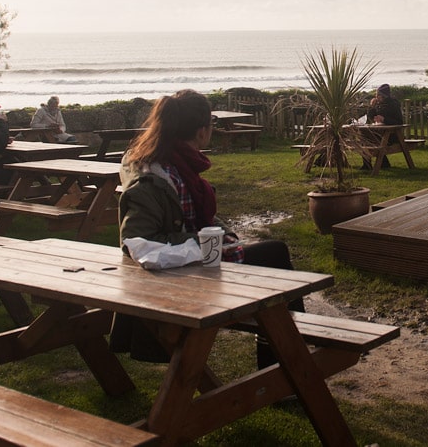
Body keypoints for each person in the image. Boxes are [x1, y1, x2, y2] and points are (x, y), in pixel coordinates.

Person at [113, 89, 300, 366]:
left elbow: (195, 216)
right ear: (202, 131)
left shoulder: (170, 163)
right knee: (275, 257)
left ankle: (282, 356)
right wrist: (206, 241)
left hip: (194, 261)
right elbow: (137, 241)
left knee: (273, 260)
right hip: (182, 275)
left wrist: (221, 232)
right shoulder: (157, 177)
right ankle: (288, 360)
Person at [364, 83, 404, 169]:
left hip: (393, 135)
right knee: (364, 136)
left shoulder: (393, 105)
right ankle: (367, 164)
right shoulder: (379, 105)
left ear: (384, 96)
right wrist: (372, 107)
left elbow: (399, 122)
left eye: (378, 95)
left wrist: (384, 119)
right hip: (380, 133)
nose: (377, 97)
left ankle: (383, 163)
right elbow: (370, 118)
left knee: (373, 140)